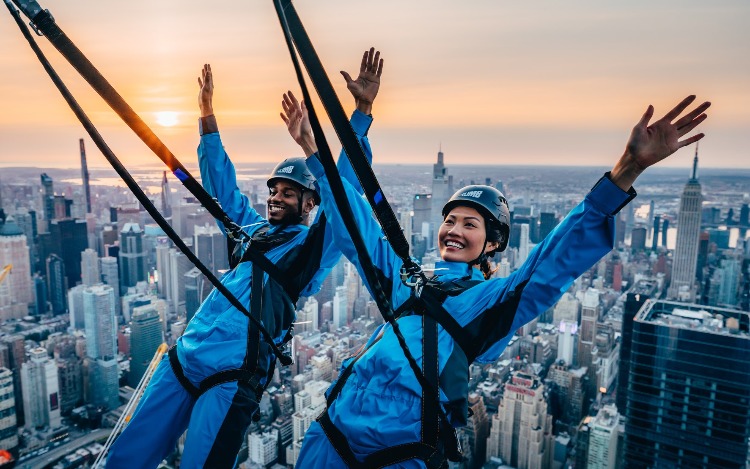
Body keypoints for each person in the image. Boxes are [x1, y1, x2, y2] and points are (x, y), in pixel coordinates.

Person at [283, 95, 710, 468]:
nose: (453, 228)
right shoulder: (406, 281)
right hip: (331, 430)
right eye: (450, 219)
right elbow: (356, 224)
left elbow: (550, 264)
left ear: (492, 245)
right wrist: (313, 150)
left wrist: (627, 168)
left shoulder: (487, 301)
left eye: (470, 224)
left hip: (399, 446)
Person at [107, 48, 385, 469]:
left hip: (234, 373)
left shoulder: (313, 246)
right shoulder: (250, 233)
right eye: (273, 190)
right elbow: (223, 187)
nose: (276, 197)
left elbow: (346, 190)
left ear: (311, 202)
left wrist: (361, 111)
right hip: (187, 354)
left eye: (288, 192)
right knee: (127, 457)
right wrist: (206, 115)